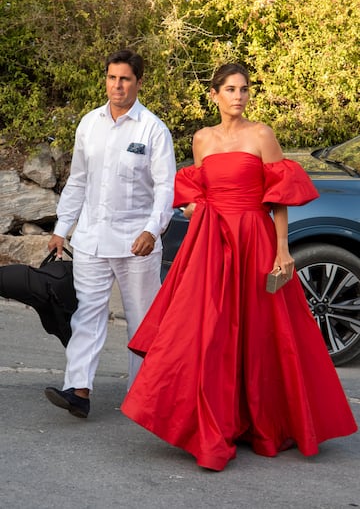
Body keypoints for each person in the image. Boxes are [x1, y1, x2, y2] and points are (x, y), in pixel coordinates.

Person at [121, 63, 357, 471]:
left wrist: (282, 249)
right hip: (212, 241)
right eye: (230, 89)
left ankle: (260, 422)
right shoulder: (201, 139)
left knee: (260, 332)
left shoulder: (261, 134)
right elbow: (199, 193)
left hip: (254, 237)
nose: (239, 96)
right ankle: (212, 424)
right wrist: (198, 214)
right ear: (214, 95)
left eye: (244, 89)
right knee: (209, 331)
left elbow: (278, 196)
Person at [44, 49, 176, 418]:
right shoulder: (89, 123)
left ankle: (143, 396)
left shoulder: (153, 129)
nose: (117, 85)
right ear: (105, 79)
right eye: (112, 78)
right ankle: (79, 392)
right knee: (87, 314)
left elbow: (166, 188)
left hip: (137, 243)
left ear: (138, 82)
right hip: (91, 239)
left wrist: (153, 229)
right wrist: (61, 228)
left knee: (142, 320)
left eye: (125, 79)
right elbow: (78, 181)